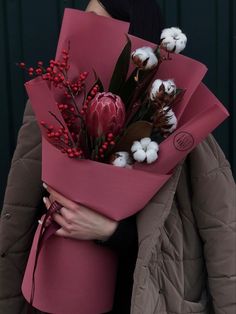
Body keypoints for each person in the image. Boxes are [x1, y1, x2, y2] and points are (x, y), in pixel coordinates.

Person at [0, 0, 235, 313]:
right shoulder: (55, 104)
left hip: (149, 299)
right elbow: (18, 212)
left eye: (98, 23)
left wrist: (109, 232)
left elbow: (223, 233)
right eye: (82, 19)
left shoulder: (178, 117)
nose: (83, 31)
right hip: (59, 294)